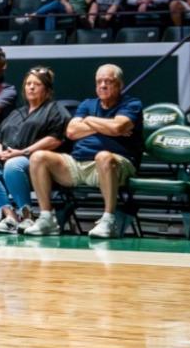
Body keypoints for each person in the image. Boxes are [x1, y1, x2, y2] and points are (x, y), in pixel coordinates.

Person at [23, 64, 143, 238]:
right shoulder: (88, 104)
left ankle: (109, 220)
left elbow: (117, 127)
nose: (102, 85)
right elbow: (71, 131)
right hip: (78, 163)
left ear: (120, 85)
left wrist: (88, 121)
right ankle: (47, 219)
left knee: (103, 156)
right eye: (99, 82)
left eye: (108, 81)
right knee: (38, 157)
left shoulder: (131, 104)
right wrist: (106, 125)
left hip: (115, 163)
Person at [0, 66, 72, 233]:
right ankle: (10, 217)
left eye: (37, 84)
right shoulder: (17, 113)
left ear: (47, 90)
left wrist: (24, 151)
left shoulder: (55, 109)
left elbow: (55, 139)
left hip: (39, 163)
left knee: (14, 164)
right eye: (28, 84)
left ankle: (27, 216)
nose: (31, 87)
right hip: (10, 158)